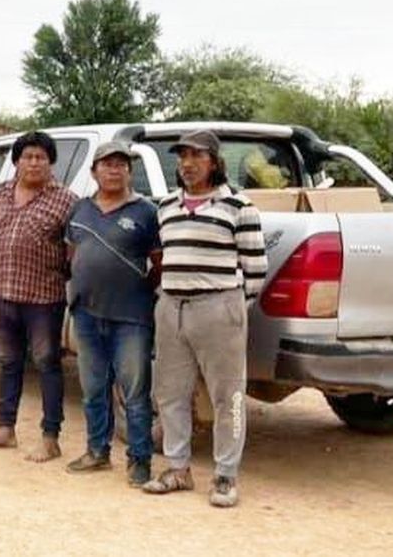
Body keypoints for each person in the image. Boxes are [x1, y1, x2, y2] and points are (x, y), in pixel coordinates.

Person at [143, 130, 265, 508]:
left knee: (227, 396)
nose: (188, 163)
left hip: (218, 308)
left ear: (214, 161)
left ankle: (226, 475)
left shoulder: (239, 207)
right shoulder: (166, 207)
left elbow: (255, 270)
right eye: (183, 157)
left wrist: (226, 308)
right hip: (171, 307)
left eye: (197, 156)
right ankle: (178, 468)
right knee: (169, 392)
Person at [63, 141, 161, 486]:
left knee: (134, 393)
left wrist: (139, 291)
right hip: (86, 314)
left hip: (131, 317)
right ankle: (97, 451)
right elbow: (71, 253)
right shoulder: (80, 210)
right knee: (92, 389)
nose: (114, 170)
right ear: (94, 172)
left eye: (121, 164)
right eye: (107, 164)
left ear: (129, 171)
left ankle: (139, 460)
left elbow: (158, 263)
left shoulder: (146, 212)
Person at [0, 131, 77, 461]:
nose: (33, 163)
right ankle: (6, 429)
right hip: (4, 294)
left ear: (50, 162)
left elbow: (72, 251)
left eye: (41, 157)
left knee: (47, 364)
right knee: (8, 362)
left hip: (44, 300)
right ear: (16, 161)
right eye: (27, 157)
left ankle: (51, 437)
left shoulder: (66, 200)